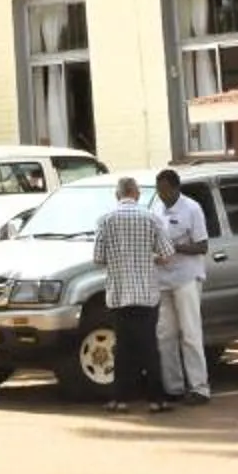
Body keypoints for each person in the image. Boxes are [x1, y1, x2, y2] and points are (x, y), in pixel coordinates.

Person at [91, 174, 176, 414]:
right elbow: (167, 255)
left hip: (119, 295)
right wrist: (150, 259)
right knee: (149, 347)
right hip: (147, 295)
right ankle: (156, 400)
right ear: (136, 194)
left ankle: (119, 399)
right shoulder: (151, 218)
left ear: (118, 194)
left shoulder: (105, 220)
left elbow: (98, 258)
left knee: (123, 350)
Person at [150, 168, 214, 404]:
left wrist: (174, 248)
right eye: (159, 191)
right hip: (163, 278)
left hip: (186, 277)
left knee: (190, 332)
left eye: (166, 190)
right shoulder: (155, 208)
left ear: (176, 188)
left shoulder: (192, 208)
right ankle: (173, 387)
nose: (162, 195)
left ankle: (199, 387)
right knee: (165, 334)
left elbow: (202, 246)